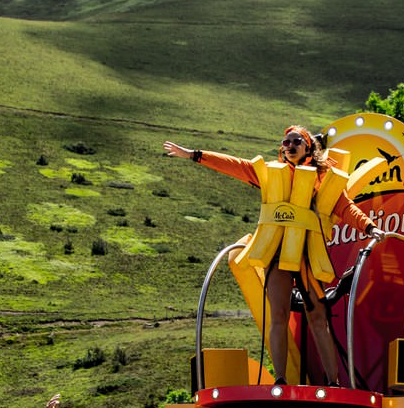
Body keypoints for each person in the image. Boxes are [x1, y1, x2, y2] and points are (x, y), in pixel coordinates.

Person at [162, 129, 383, 386]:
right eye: (286, 142)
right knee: (277, 314)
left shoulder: (324, 178)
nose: (290, 145)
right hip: (277, 253)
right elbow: (238, 166)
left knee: (318, 318)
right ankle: (280, 378)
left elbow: (345, 207)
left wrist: (369, 227)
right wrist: (195, 155)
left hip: (308, 255)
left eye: (296, 141)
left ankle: (333, 382)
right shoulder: (273, 172)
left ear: (308, 147)